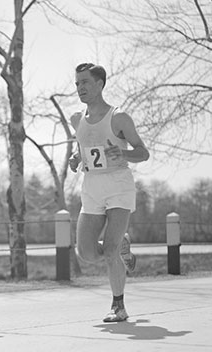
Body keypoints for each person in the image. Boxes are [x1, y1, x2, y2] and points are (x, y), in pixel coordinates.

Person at [69, 63, 150, 322]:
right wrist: (76, 159)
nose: (80, 87)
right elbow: (85, 149)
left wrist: (122, 153)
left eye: (85, 82)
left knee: (111, 250)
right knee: (86, 252)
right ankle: (121, 245)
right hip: (91, 186)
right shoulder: (76, 119)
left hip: (118, 185)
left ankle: (118, 306)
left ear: (100, 84)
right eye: (77, 83)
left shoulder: (119, 117)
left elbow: (143, 153)